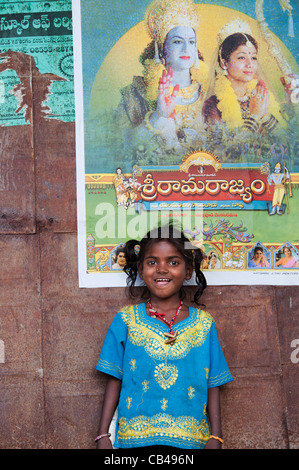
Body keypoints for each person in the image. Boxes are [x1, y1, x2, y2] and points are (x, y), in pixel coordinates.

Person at [95, 224, 233, 449]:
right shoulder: (126, 319)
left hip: (191, 441)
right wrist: (103, 435)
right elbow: (115, 378)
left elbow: (213, 383)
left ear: (188, 271)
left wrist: (216, 437)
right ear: (141, 270)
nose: (161, 269)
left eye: (173, 262)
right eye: (152, 262)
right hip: (135, 440)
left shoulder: (204, 323)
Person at [121, 0, 209, 155]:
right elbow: (121, 147)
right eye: (177, 41)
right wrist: (158, 116)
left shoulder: (211, 92)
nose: (186, 48)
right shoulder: (135, 95)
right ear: (162, 50)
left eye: (191, 42)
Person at [203, 20, 287, 138]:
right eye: (242, 57)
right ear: (224, 63)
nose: (250, 64)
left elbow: (284, 140)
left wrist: (265, 116)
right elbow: (227, 152)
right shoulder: (212, 105)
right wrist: (254, 116)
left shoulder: (260, 96)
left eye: (253, 57)